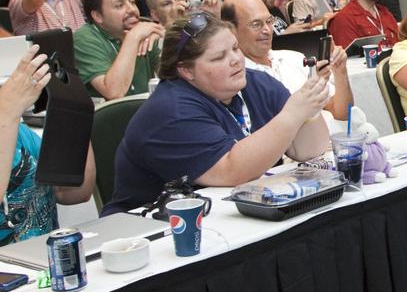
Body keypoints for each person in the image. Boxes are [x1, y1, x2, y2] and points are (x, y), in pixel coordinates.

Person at [104, 13, 330, 216]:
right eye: (218, 57)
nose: (235, 60)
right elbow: (231, 172)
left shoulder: (256, 82)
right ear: (186, 71)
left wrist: (309, 108)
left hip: (231, 215)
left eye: (235, 48)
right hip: (151, 232)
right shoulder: (170, 110)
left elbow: (309, 149)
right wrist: (292, 114)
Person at [0, 45, 96, 243]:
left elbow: (73, 192)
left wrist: (73, 108)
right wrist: (6, 113)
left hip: (48, 260)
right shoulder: (7, 117)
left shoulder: (18, 131)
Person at [222, 0, 353, 124]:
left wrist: (340, 72)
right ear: (231, 30)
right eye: (256, 24)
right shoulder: (236, 79)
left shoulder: (295, 59)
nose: (267, 30)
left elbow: (342, 113)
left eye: (269, 21)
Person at [73, 0, 164, 99]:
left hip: (145, 110)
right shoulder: (84, 37)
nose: (132, 9)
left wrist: (166, 41)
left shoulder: (145, 28)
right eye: (119, 5)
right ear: (98, 16)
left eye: (132, 2)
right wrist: (133, 38)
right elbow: (114, 92)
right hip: (108, 114)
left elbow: (175, 78)